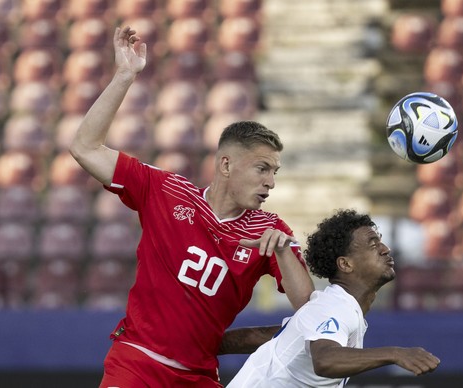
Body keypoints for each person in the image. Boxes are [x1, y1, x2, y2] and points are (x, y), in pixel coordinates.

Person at [69, 26, 314, 388]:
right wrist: (124, 75)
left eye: (275, 172)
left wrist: (284, 254)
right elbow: (85, 148)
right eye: (262, 169)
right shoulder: (166, 191)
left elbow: (308, 308)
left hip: (198, 377)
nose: (271, 182)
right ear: (226, 164)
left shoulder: (269, 231)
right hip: (136, 363)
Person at [227, 209, 441, 387]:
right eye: (373, 244)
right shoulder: (334, 307)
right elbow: (325, 360)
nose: (386, 250)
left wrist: (205, 343)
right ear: (345, 264)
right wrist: (395, 353)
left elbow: (262, 336)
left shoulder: (328, 309)